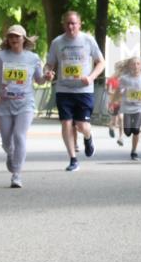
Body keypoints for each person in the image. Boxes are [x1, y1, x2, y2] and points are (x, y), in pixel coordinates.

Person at [0, 25, 47, 188]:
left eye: (17, 37)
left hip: (25, 103)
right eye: (11, 36)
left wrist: (46, 77)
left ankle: (17, 174)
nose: (13, 39)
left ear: (24, 39)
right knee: (6, 142)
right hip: (3, 104)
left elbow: (39, 80)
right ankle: (11, 154)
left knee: (19, 136)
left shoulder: (33, 58)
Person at [43, 10, 105, 171]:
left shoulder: (88, 40)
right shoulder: (57, 42)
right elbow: (49, 63)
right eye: (68, 23)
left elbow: (101, 62)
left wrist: (91, 77)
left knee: (81, 125)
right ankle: (73, 159)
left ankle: (88, 137)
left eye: (74, 23)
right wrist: (47, 72)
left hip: (84, 90)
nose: (71, 26)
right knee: (66, 123)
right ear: (63, 24)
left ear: (80, 24)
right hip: (63, 89)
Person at [112, 57, 141, 160]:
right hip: (127, 107)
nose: (135, 66)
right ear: (129, 66)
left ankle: (134, 151)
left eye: (138, 64)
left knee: (136, 129)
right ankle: (128, 138)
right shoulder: (124, 78)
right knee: (127, 132)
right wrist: (116, 100)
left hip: (140, 107)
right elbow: (118, 91)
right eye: (133, 64)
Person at [106, 61, 125, 146]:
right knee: (114, 121)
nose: (121, 72)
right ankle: (111, 127)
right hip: (114, 101)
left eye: (123, 70)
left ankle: (121, 137)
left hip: (122, 102)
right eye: (119, 70)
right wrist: (116, 93)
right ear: (116, 70)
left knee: (121, 118)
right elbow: (109, 91)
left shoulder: (125, 80)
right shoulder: (111, 79)